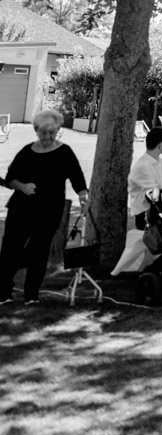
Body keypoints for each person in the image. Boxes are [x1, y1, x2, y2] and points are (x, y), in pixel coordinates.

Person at [0, 109, 88, 304]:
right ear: (36, 130)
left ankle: (31, 295)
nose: (48, 137)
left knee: (39, 251)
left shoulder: (64, 153)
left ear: (57, 131)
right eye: (44, 133)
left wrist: (83, 195)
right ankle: (3, 292)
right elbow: (10, 178)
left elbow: (77, 178)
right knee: (10, 249)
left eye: (52, 133)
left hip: (49, 210)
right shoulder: (26, 152)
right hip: (21, 208)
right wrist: (22, 187)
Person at [128, 128, 162, 229]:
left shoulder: (161, 162)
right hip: (146, 216)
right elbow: (154, 194)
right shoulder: (142, 166)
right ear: (160, 145)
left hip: (159, 211)